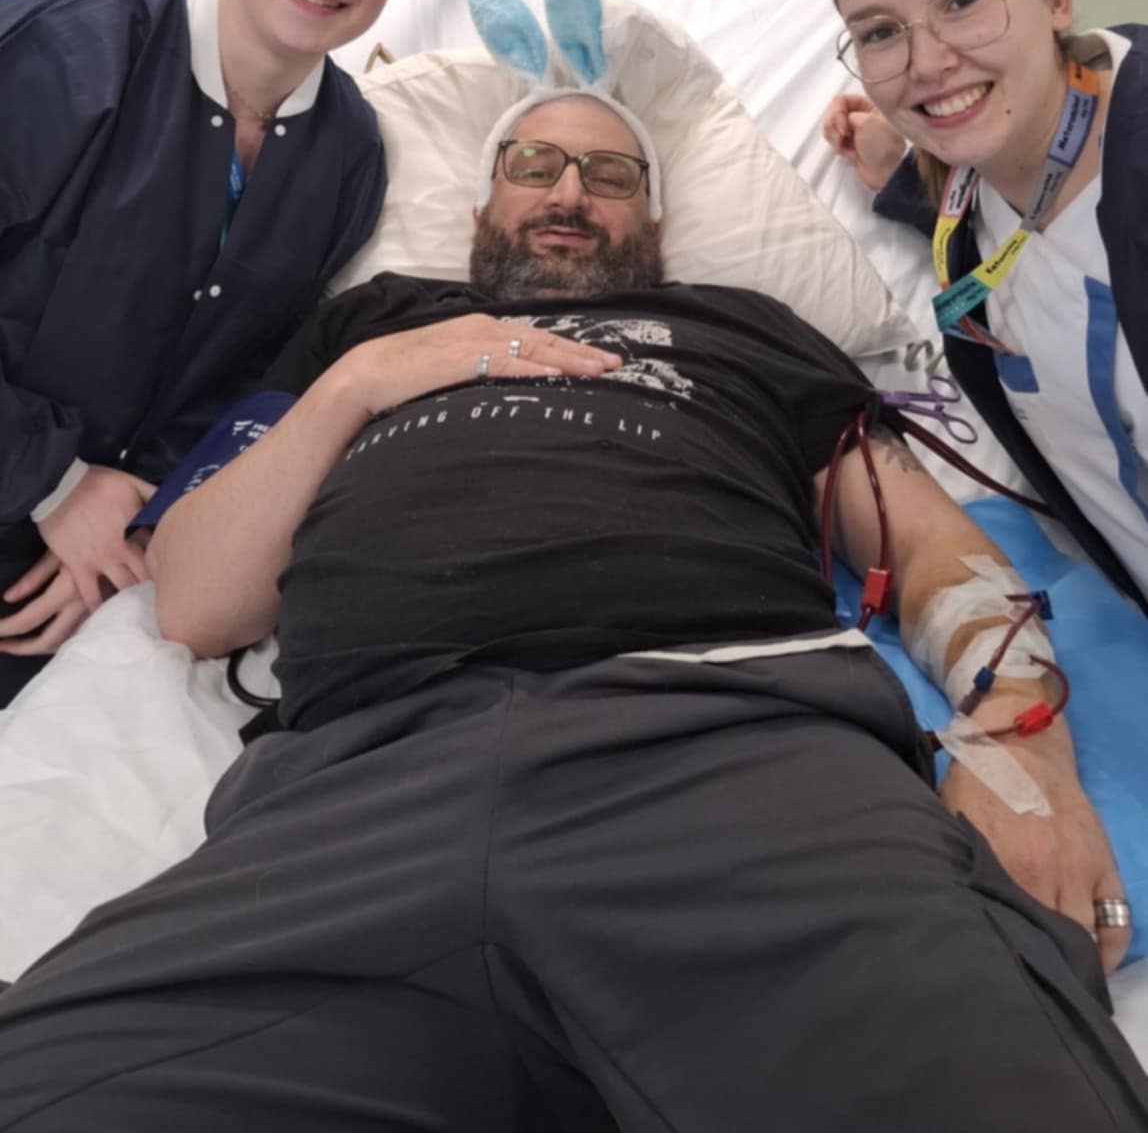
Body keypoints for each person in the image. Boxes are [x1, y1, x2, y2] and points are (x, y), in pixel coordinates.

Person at [0, 88, 1144, 1133]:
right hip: (353, 787)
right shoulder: (369, 325)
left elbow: (928, 542)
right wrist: (357, 382)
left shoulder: (743, 326)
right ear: (481, 201)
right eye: (533, 162)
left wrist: (1022, 749)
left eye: (608, 174)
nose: (566, 192)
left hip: (738, 754)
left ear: (652, 220)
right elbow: (195, 602)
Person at [0, 0, 484, 700]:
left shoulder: (347, 155)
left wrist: (132, 503)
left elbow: (241, 374)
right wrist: (54, 486)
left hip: (101, 548)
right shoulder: (60, 60)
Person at [694, 0, 1148, 613]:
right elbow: (1011, 231)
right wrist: (900, 173)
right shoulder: (971, 208)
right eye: (880, 32)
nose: (930, 61)